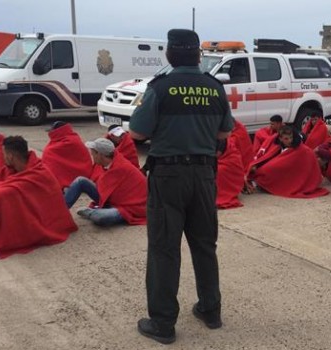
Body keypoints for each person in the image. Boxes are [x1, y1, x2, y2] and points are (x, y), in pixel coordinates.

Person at [128, 29, 234, 345]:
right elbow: (224, 134)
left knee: (164, 249)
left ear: (170, 55)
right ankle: (210, 310)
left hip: (167, 177)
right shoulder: (215, 89)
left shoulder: (159, 88)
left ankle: (162, 324)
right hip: (204, 176)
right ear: (198, 55)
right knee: (204, 245)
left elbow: (136, 133)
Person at [0, 136, 77, 257]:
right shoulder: (14, 167)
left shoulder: (38, 173)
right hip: (23, 213)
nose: (3, 157)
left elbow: (4, 193)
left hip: (39, 221)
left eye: (4, 154)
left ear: (10, 156)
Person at [63, 138, 147, 226]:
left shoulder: (120, 167)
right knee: (80, 181)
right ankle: (59, 212)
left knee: (100, 217)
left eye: (93, 153)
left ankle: (93, 212)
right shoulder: (109, 163)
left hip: (129, 207)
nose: (92, 156)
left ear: (100, 155)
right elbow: (106, 189)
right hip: (112, 200)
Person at [246, 126, 329, 198]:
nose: (289, 141)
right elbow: (270, 156)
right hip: (288, 168)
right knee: (261, 168)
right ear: (280, 138)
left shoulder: (300, 149)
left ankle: (257, 183)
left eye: (290, 138)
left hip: (296, 171)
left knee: (267, 170)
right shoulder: (277, 144)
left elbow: (287, 162)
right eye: (286, 138)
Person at [42, 121, 93, 189]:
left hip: (80, 175)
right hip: (83, 172)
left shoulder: (68, 142)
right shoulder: (73, 138)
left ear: (57, 131)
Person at [216, 138, 244, 209]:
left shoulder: (222, 140)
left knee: (218, 171)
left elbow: (217, 154)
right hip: (218, 160)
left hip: (228, 162)